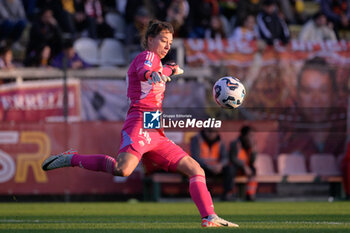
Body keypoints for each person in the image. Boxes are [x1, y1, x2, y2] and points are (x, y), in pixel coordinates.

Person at [42, 19, 239, 228]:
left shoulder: (159, 63)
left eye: (170, 43)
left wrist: (169, 70)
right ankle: (72, 158)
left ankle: (210, 216)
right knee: (123, 169)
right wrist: (155, 73)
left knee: (195, 169)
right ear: (150, 39)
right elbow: (145, 72)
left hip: (155, 129)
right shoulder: (147, 57)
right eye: (163, 40)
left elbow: (161, 71)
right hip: (139, 123)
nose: (167, 46)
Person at [190, 129, 235, 201]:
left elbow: (225, 158)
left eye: (214, 131)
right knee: (195, 170)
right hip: (203, 168)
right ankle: (199, 195)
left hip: (217, 168)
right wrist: (209, 166)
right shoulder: (197, 140)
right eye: (209, 131)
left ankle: (228, 194)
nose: (211, 134)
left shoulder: (220, 141)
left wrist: (220, 165)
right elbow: (195, 158)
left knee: (230, 169)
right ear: (205, 131)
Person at [229, 126, 257, 201]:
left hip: (245, 168)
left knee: (253, 169)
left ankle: (250, 194)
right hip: (236, 167)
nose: (252, 138)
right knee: (230, 170)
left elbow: (251, 161)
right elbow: (233, 158)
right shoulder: (235, 144)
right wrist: (243, 166)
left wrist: (254, 151)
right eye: (250, 135)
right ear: (244, 135)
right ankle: (229, 194)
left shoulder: (250, 145)